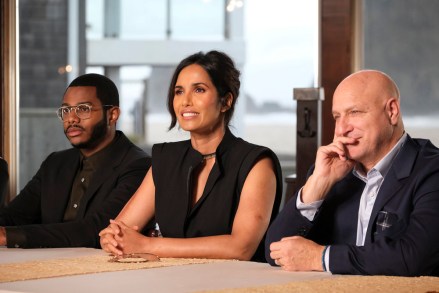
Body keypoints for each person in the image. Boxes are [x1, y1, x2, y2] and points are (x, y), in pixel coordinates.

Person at [99, 50, 283, 262]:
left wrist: (149, 245)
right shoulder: (165, 158)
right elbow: (120, 230)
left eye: (199, 90)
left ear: (226, 101)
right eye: (178, 92)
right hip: (170, 280)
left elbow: (240, 248)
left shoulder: (256, 163)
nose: (185, 101)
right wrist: (111, 239)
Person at [265, 70, 439, 276]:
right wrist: (318, 184)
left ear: (392, 111)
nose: (341, 129)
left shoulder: (431, 170)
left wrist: (320, 257)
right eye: (337, 117)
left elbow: (415, 258)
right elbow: (275, 251)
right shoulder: (329, 171)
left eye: (354, 112)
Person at [0, 73, 151, 248]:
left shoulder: (138, 166)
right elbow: (14, 215)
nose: (71, 118)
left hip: (103, 270)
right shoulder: (55, 163)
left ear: (112, 115)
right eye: (66, 110)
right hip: (44, 265)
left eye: (83, 109)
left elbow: (98, 230)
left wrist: (7, 236)